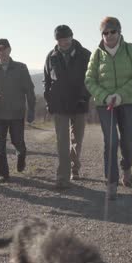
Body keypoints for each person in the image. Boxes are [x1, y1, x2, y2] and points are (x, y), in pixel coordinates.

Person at [85, 16, 132, 200]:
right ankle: (111, 182)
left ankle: (126, 167)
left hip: (128, 102)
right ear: (102, 34)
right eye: (105, 32)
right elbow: (89, 80)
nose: (109, 35)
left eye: (113, 31)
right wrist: (105, 96)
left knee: (127, 141)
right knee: (110, 141)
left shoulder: (130, 49)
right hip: (105, 105)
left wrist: (120, 95)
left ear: (119, 32)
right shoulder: (96, 54)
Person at [43, 25, 92, 189]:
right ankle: (62, 178)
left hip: (80, 103)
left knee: (77, 140)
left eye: (65, 38)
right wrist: (48, 101)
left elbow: (91, 80)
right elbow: (47, 80)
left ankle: (75, 167)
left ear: (72, 37)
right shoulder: (51, 56)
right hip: (59, 105)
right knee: (62, 142)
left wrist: (85, 97)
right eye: (59, 39)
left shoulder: (86, 55)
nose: (63, 42)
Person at [0, 38, 36, 184]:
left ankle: (21, 155)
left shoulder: (21, 68)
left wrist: (31, 109)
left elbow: (30, 90)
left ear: (9, 50)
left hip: (16, 113)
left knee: (17, 141)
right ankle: (3, 174)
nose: (1, 52)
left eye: (4, 49)